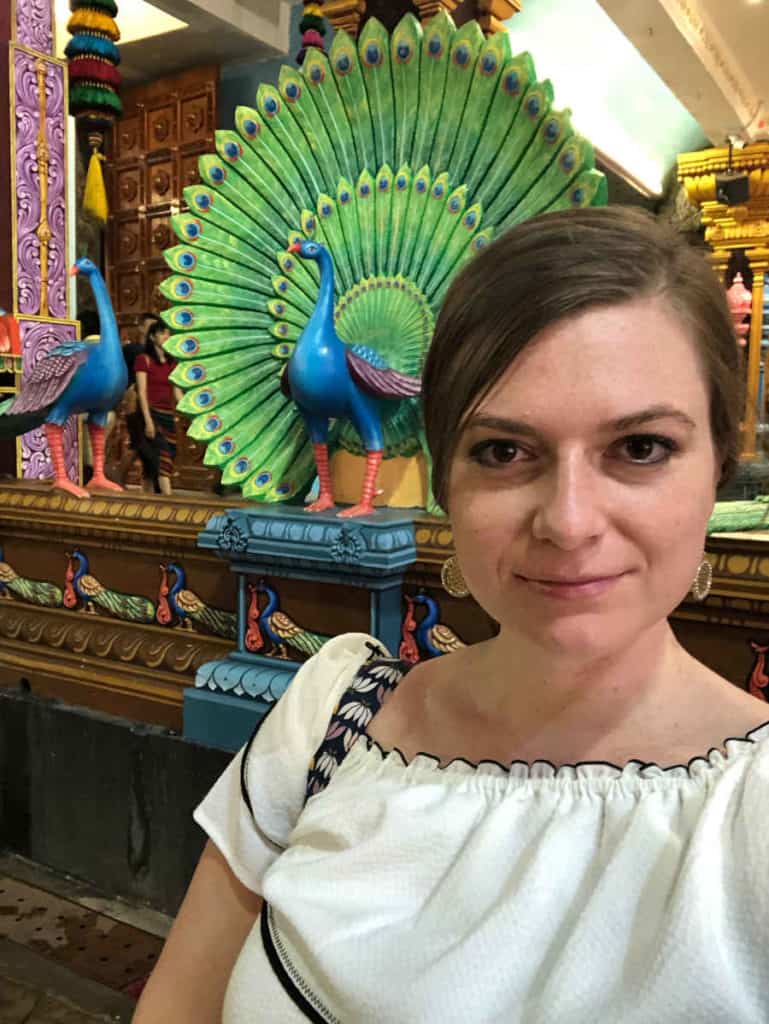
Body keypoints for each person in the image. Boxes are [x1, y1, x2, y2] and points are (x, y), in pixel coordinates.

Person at [134, 207, 769, 1022]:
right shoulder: (333, 716)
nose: (568, 522)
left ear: (720, 463)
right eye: (503, 452)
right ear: (446, 482)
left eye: (639, 447)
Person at [133, 319, 182, 496]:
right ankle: (169, 501)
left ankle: (146, 501)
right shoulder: (143, 360)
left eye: (168, 333)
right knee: (163, 459)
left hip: (167, 415)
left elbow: (177, 394)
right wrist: (148, 421)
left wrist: (194, 413)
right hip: (150, 413)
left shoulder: (172, 363)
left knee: (152, 464)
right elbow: (142, 392)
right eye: (162, 333)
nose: (166, 336)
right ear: (153, 337)